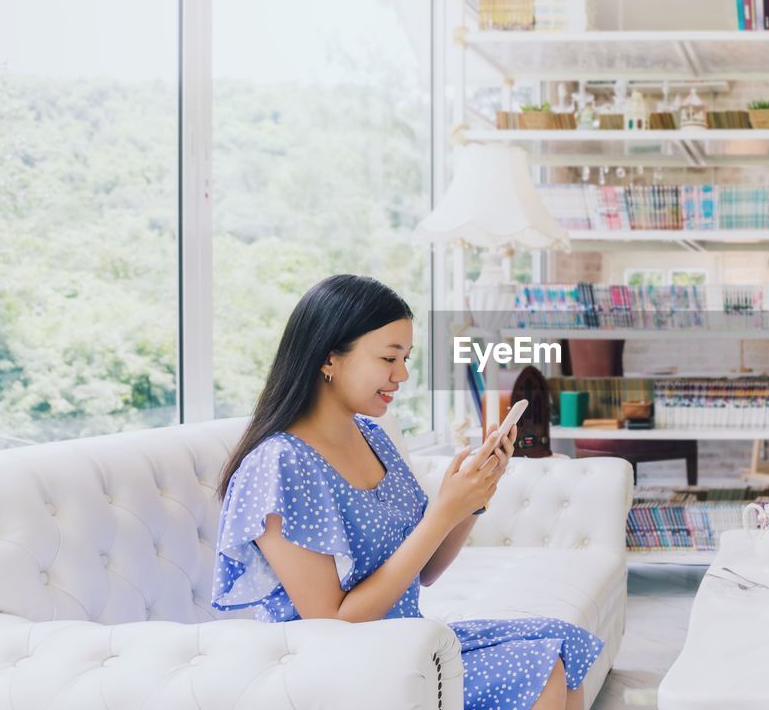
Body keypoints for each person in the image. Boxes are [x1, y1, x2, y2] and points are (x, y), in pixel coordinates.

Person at [211, 274, 602, 710]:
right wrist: (442, 513)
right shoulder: (280, 464)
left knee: (562, 643)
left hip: (404, 641)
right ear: (328, 359)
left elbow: (425, 570)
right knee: (538, 669)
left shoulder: (372, 438)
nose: (403, 375)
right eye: (388, 358)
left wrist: (471, 498)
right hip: (339, 666)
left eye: (407, 357)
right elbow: (331, 624)